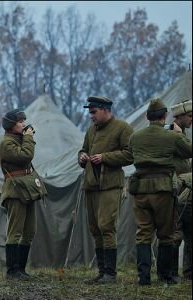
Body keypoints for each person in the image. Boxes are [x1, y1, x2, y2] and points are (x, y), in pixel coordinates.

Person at [129, 98, 192, 285]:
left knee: (143, 233)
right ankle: (165, 276)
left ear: (148, 116)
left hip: (140, 189)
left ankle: (143, 277)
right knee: (166, 233)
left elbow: (132, 153)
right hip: (163, 189)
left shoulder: (135, 136)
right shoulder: (172, 137)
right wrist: (181, 136)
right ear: (164, 116)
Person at [78, 96, 134, 283]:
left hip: (110, 185)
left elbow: (130, 154)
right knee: (95, 228)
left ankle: (110, 274)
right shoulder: (90, 131)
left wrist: (105, 157)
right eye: (90, 112)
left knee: (106, 227)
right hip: (91, 184)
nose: (91, 116)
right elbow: (82, 150)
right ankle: (102, 272)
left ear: (105, 110)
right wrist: (82, 157)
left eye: (93, 112)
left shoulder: (123, 128)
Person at [0, 109, 47, 279]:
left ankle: (21, 270)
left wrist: (26, 138)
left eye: (24, 121)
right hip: (15, 191)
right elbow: (25, 156)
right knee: (15, 231)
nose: (24, 124)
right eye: (20, 122)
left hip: (27, 189)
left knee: (29, 231)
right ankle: (12, 271)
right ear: (11, 125)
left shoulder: (19, 140)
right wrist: (29, 137)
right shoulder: (6, 143)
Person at [170, 99, 192, 281]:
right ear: (180, 117)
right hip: (176, 189)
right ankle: (170, 273)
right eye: (190, 116)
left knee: (189, 233)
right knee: (175, 233)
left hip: (186, 189)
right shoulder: (174, 135)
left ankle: (188, 272)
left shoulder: (182, 133)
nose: (192, 119)